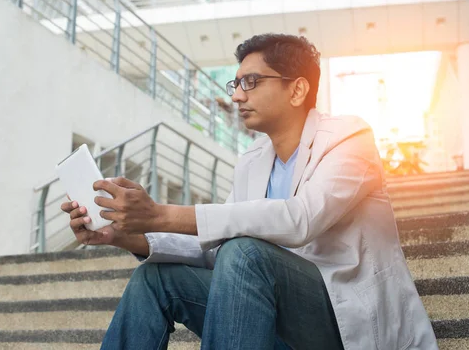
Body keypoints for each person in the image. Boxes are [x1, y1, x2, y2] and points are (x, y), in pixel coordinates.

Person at [62, 34, 439, 350]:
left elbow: (301, 219)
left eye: (251, 82)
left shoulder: (349, 138)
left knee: (246, 252)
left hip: (344, 324)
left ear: (297, 89)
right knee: (156, 277)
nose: (237, 96)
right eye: (236, 84)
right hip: (269, 321)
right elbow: (216, 248)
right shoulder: (253, 159)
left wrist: (162, 213)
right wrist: (125, 236)